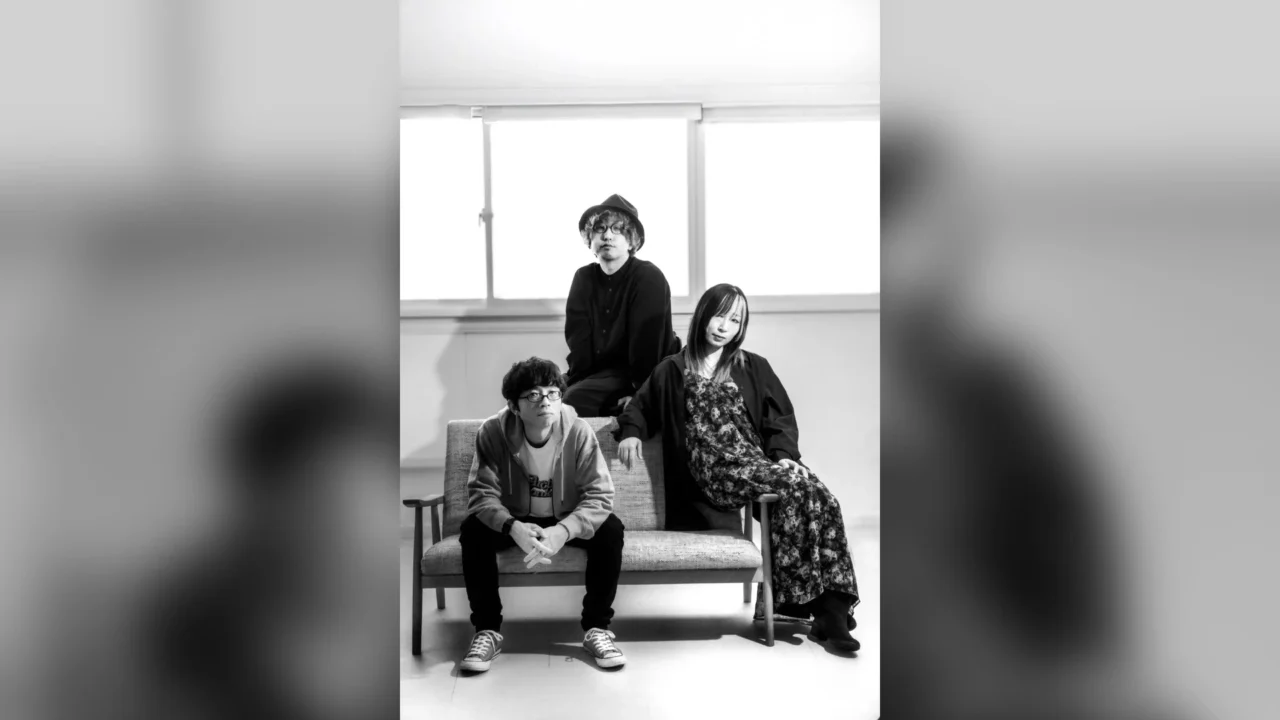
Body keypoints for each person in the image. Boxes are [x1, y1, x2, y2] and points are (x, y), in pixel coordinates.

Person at [616, 284, 861, 652]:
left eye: (734, 320)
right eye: (719, 316)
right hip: (713, 469)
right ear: (703, 314)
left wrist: (783, 455)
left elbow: (779, 417)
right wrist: (631, 433)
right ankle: (811, 608)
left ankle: (832, 611)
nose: (723, 327)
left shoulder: (752, 365)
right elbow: (639, 406)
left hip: (755, 462)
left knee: (821, 495)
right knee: (797, 488)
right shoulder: (672, 369)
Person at [459, 356, 627, 672]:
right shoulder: (493, 432)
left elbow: (600, 496)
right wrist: (512, 527)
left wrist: (562, 531)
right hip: (515, 517)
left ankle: (597, 628)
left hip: (564, 516)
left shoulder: (578, 431)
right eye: (534, 395)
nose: (546, 402)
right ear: (514, 405)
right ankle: (487, 630)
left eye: (553, 393)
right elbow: (482, 495)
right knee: (473, 530)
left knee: (610, 529)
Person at [563, 194, 681, 417]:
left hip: (640, 374)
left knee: (570, 402)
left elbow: (648, 347)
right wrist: (572, 381)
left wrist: (639, 391)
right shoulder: (583, 277)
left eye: (617, 229)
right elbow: (578, 341)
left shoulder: (648, 277)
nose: (607, 235)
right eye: (600, 228)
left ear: (631, 240)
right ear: (590, 238)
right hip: (595, 373)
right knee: (537, 391)